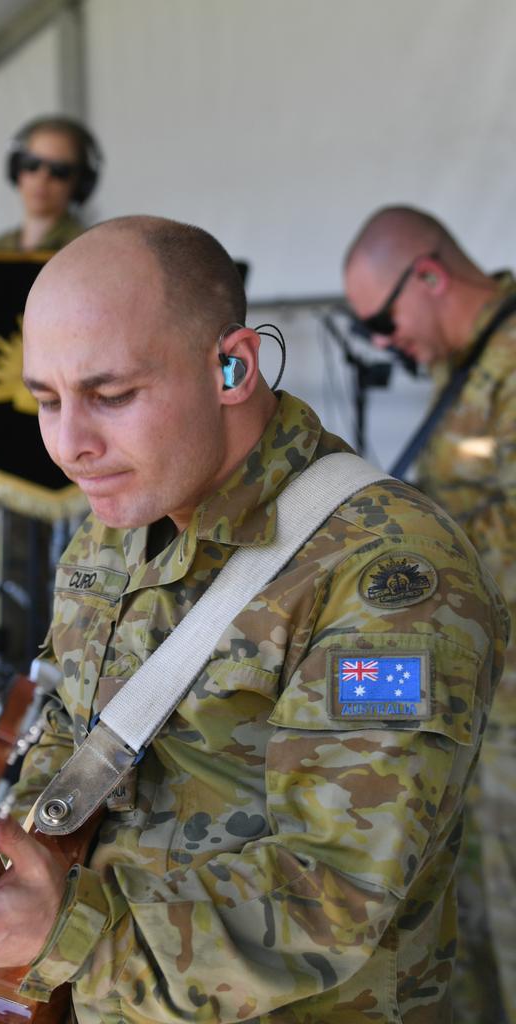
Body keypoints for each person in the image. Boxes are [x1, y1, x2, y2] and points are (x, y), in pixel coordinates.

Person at [0, 215, 507, 1024]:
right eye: (45, 400)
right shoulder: (117, 524)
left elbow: (332, 894)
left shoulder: (388, 571)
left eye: (110, 395)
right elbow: (70, 738)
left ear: (232, 366)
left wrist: (62, 934)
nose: (70, 445)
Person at [343, 204, 516, 1023]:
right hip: (481, 716)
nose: (382, 341)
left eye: (383, 318)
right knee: (472, 927)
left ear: (431, 274)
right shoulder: (467, 366)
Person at [0, 114, 103, 253]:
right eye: (31, 164)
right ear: (16, 169)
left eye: (59, 170)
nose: (43, 178)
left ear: (81, 182)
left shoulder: (87, 250)